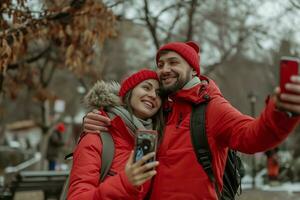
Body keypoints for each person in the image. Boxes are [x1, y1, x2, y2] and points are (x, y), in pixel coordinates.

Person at [82, 41, 300, 199]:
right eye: (160, 64)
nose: (165, 69)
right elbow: (126, 118)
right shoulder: (160, 108)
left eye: (173, 62)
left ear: (193, 68)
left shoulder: (213, 107)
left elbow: (253, 136)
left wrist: (281, 111)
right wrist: (100, 119)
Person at [67, 69, 163, 199]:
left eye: (158, 93)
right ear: (128, 93)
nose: (153, 95)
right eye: (146, 87)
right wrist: (125, 182)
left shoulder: (155, 141)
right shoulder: (97, 135)